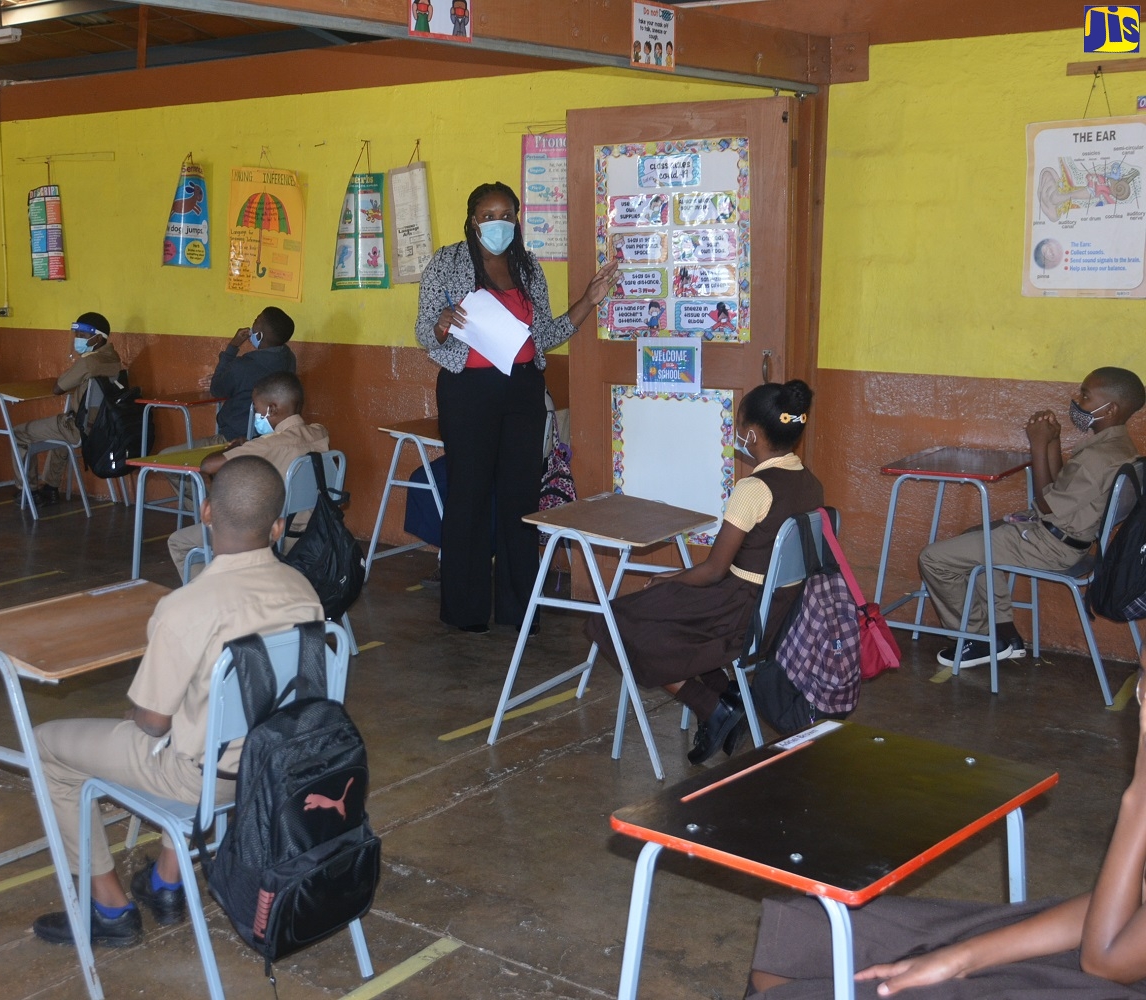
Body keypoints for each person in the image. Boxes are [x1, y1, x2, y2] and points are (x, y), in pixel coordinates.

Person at [29, 456, 323, 947]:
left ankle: (109, 907)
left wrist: (133, 714)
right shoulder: (306, 593)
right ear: (276, 528)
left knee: (46, 746)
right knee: (203, 724)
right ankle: (166, 882)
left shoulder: (185, 607)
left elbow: (152, 724)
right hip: (276, 773)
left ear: (206, 512)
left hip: (202, 780)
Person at [747, 653, 1146, 999]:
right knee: (807, 931)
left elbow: (1105, 962)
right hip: (1108, 940)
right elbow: (1124, 909)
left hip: (1112, 970)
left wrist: (1139, 799)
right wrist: (959, 957)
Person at [583, 380, 823, 765]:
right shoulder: (812, 484)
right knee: (655, 613)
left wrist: (668, 579)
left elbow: (713, 570)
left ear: (752, 434)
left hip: (737, 610)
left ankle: (711, 705)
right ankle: (726, 696)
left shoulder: (754, 488)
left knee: (613, 621)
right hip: (780, 613)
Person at [414, 181, 617, 633]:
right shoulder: (446, 263)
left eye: (506, 215)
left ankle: (518, 608)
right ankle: (465, 610)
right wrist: (442, 325)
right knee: (468, 493)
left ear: (517, 219)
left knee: (520, 498)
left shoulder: (527, 267)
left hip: (523, 390)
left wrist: (588, 300)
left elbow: (542, 335)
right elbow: (425, 331)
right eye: (488, 216)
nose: (498, 223)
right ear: (472, 220)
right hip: (468, 390)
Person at [918, 367, 1143, 669]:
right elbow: (1061, 484)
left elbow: (1047, 504)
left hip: (1050, 544)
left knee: (934, 558)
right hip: (1063, 537)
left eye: (1085, 396)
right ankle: (1003, 634)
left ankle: (979, 639)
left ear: (1110, 408)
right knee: (975, 536)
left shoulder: (1098, 458)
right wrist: (1052, 442)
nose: (1077, 400)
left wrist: (1037, 443)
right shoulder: (1115, 446)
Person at [167, 372, 328, 580]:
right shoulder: (320, 432)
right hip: (316, 530)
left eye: (257, 407)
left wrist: (237, 447)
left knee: (180, 543)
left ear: (272, 408)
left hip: (276, 535)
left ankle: (212, 601)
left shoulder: (268, 445)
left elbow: (208, 465)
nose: (256, 413)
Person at [11, 312, 124, 504]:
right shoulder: (114, 358)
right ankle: (50, 487)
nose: (77, 339)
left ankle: (27, 490)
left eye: (83, 336)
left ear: (97, 338)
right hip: (102, 428)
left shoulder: (89, 361)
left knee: (18, 433)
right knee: (61, 429)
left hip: (79, 429)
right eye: (77, 334)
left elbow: (58, 388)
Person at [199, 306, 297, 444]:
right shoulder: (289, 359)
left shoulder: (242, 366)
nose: (252, 325)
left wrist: (233, 346)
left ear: (260, 334)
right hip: (272, 439)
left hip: (235, 440)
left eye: (256, 320)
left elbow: (216, 389)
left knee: (165, 453)